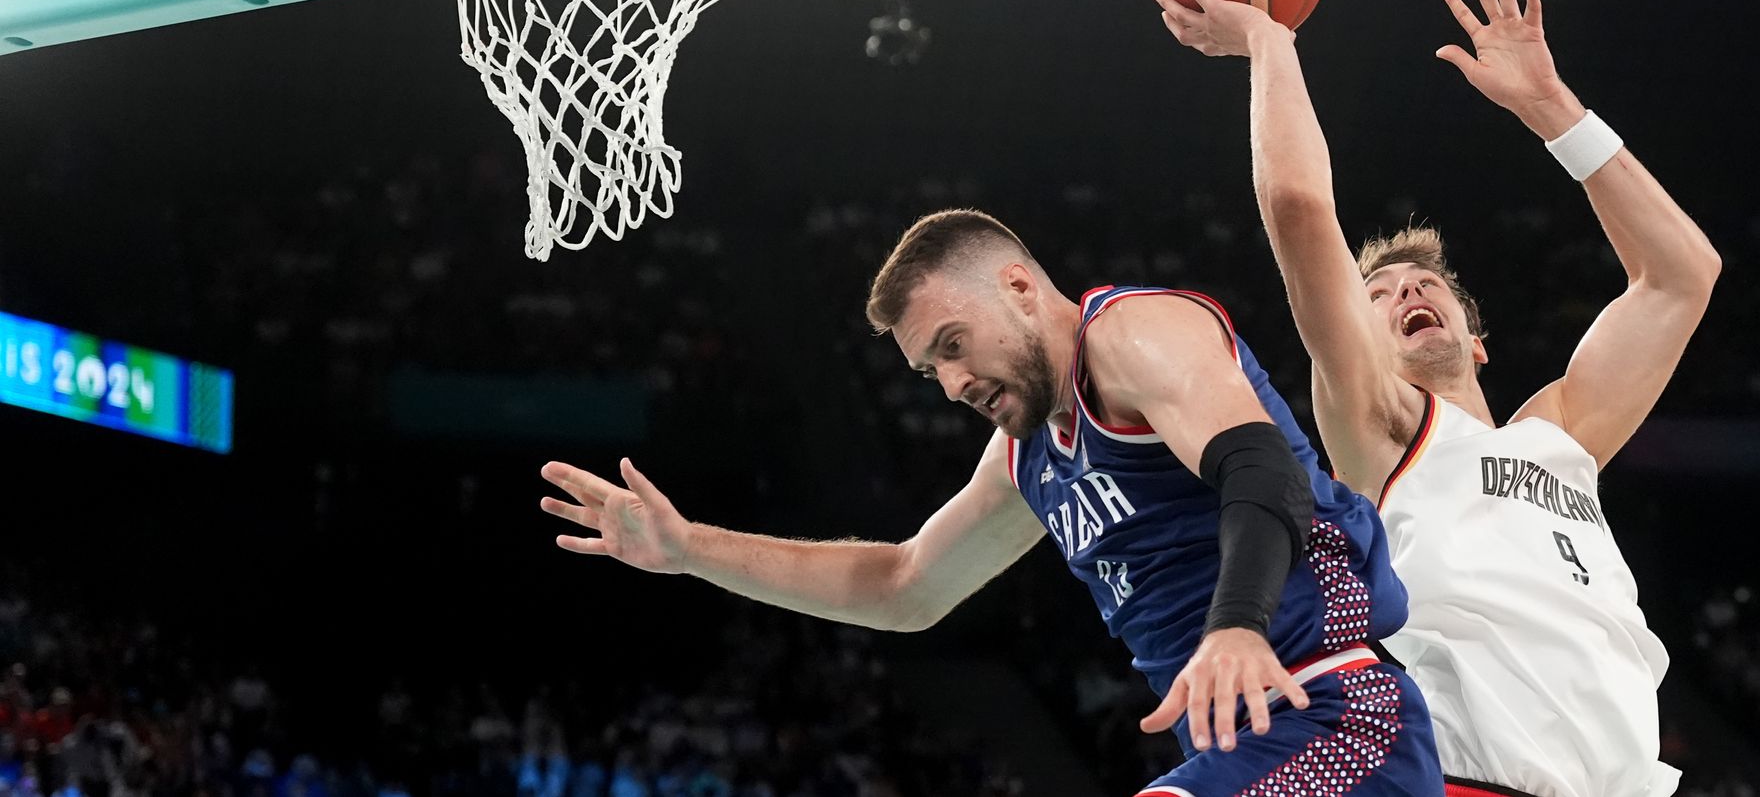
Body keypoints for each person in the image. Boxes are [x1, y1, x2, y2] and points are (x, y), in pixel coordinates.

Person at [542, 210, 1443, 795]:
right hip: (1251, 746)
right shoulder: (1025, 459)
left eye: (953, 344)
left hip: (1338, 708)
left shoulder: (1132, 334)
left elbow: (1261, 468)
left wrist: (1238, 626)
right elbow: (904, 584)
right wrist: (690, 547)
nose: (952, 382)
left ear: (1017, 286)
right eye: (931, 368)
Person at [1155, 0, 1721, 797]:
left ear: (1477, 339)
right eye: (1377, 293)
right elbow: (1300, 209)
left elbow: (1683, 273)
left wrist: (1551, 109)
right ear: (1361, 340)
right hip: (1467, 780)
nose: (1408, 287)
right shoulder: (1378, 427)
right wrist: (1272, 43)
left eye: (1427, 282)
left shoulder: (1560, 434)